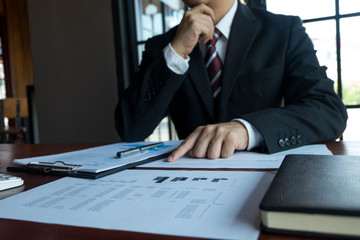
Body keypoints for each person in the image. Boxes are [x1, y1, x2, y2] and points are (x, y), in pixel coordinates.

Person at [115, 0, 347, 162]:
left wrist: (248, 130)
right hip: (188, 179)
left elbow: (328, 111)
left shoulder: (283, 30)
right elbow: (130, 128)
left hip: (264, 179)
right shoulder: (163, 46)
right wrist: (176, 53)